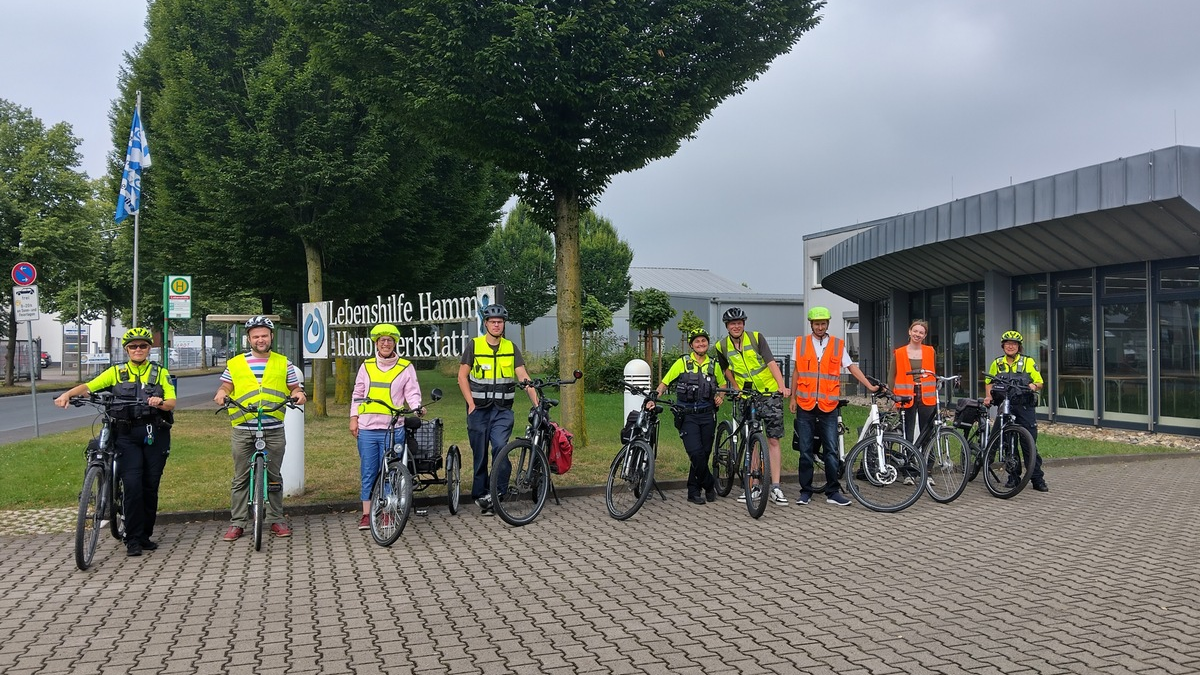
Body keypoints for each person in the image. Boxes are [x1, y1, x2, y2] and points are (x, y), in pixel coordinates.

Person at [55, 327, 177, 556]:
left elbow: (171, 402)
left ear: (149, 349)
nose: (138, 350)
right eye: (133, 346)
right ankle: (132, 539)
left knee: (150, 486)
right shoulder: (116, 372)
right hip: (126, 435)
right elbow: (89, 386)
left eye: (142, 346)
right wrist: (67, 394)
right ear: (126, 350)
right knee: (132, 485)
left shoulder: (160, 373)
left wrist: (159, 402)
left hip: (154, 434)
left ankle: (144, 536)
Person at [213, 315, 307, 541]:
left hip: (273, 427)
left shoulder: (284, 362)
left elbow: (294, 388)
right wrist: (222, 393)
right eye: (256, 336)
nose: (260, 339)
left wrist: (298, 395)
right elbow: (226, 385)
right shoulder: (235, 363)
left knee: (274, 477)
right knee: (240, 478)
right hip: (243, 426)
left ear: (271, 336)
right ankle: (237, 523)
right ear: (249, 339)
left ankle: (276, 519)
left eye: (264, 335)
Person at [790, 306, 878, 506]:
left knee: (831, 450)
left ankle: (833, 492)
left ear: (827, 324)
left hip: (829, 405)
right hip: (805, 404)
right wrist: (793, 397)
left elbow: (851, 367)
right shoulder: (800, 343)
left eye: (823, 323)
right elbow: (796, 372)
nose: (820, 327)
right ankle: (805, 491)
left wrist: (869, 386)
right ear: (811, 324)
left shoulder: (838, 345)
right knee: (805, 451)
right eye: (816, 324)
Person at [458, 304, 538, 515]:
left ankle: (498, 495)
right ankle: (481, 495)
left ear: (503, 325)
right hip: (479, 411)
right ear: (485, 324)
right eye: (492, 322)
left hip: (502, 411)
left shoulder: (510, 348)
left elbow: (523, 376)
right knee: (480, 455)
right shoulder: (474, 346)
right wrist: (471, 404)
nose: (496, 325)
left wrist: (536, 404)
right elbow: (462, 376)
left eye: (500, 322)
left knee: (501, 449)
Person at [713, 307, 791, 506]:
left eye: (739, 322)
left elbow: (771, 362)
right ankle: (755, 485)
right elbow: (725, 369)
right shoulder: (721, 346)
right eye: (732, 324)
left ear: (744, 324)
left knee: (773, 440)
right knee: (751, 439)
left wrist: (782, 386)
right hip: (746, 397)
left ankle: (775, 486)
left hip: (769, 394)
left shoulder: (756, 338)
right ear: (727, 327)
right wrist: (736, 387)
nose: (736, 326)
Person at [350, 323, 423, 530]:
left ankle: (389, 511)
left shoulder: (405, 367)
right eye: (381, 340)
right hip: (367, 428)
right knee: (369, 471)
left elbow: (412, 392)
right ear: (376, 343)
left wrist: (417, 407)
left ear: (395, 343)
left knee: (391, 472)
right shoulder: (366, 366)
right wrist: (353, 418)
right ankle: (367, 514)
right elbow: (358, 394)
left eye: (389, 340)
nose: (385, 343)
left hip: (393, 428)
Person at [653, 327, 727, 505]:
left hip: (707, 415)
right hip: (687, 416)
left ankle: (693, 491)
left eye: (703, 341)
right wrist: (653, 398)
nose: (701, 344)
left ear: (707, 343)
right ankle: (709, 485)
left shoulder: (714, 364)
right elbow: (664, 383)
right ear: (691, 345)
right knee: (696, 453)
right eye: (697, 341)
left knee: (705, 453)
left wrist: (720, 396)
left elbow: (723, 384)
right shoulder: (682, 363)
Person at [983, 330, 1048, 492]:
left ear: (1019, 347)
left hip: (1024, 407)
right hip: (1005, 406)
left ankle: (1037, 478)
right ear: (1003, 346)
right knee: (1006, 442)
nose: (1010, 346)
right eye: (1007, 343)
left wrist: (1033, 385)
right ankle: (1013, 476)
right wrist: (988, 397)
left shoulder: (1027, 361)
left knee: (1028, 443)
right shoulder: (997, 363)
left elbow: (1039, 381)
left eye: (1014, 344)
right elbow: (988, 381)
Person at [891, 319, 938, 447]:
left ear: (925, 335)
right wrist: (891, 395)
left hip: (926, 395)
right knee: (907, 432)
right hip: (905, 395)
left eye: (921, 332)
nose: (918, 334)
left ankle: (928, 462)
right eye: (915, 331)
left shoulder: (930, 351)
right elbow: (892, 375)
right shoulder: (899, 352)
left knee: (927, 431)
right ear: (910, 332)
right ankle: (908, 460)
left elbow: (933, 371)